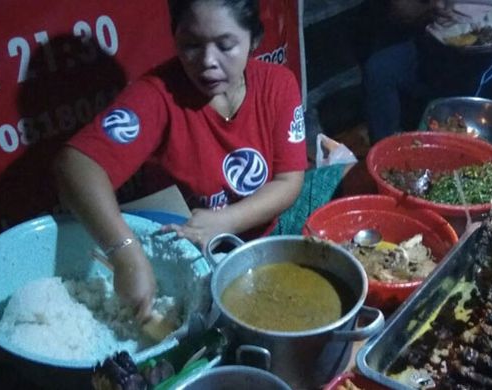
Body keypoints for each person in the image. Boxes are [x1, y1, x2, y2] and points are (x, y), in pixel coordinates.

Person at [53, 0, 307, 320]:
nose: (207, 62)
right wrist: (126, 254)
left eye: (226, 45)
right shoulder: (158, 95)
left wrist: (225, 220)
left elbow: (289, 180)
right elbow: (74, 165)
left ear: (253, 40)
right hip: (187, 253)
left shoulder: (277, 85)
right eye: (191, 45)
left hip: (262, 240)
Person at [363, 0, 492, 143]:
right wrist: (427, 9)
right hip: (438, 44)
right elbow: (401, 11)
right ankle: (384, 158)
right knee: (380, 69)